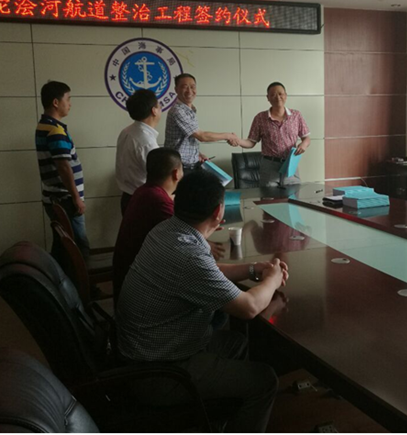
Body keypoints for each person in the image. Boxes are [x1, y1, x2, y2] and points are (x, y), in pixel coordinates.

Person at [117, 170, 288, 432]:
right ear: (219, 211)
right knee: (265, 380)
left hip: (145, 352)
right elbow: (249, 307)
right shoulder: (188, 255)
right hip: (159, 374)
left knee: (236, 343)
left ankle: (217, 418)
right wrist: (273, 280)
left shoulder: (167, 231)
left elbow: (209, 271)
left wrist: (254, 269)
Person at [112, 147, 181, 303]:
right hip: (140, 290)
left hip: (129, 279)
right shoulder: (158, 201)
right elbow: (185, 237)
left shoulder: (144, 191)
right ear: (176, 173)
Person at [35, 81, 90, 259]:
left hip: (55, 197)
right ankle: (82, 277)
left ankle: (60, 275)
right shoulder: (55, 130)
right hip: (65, 199)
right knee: (78, 246)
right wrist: (76, 197)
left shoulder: (44, 125)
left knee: (62, 244)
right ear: (56, 102)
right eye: (68, 99)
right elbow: (63, 166)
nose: (70, 104)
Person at [233, 82, 311, 186]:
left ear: (286, 95)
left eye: (280, 94)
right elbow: (251, 142)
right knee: (269, 196)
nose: (277, 97)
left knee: (293, 193)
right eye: (273, 95)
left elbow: (306, 138)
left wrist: (304, 144)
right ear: (268, 98)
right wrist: (237, 141)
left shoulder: (296, 115)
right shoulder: (260, 118)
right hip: (269, 166)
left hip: (290, 164)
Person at [164, 73, 238, 172]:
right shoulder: (177, 111)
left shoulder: (191, 110)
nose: (189, 91)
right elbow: (202, 136)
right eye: (185, 87)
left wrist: (198, 154)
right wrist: (228, 136)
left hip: (191, 165)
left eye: (192, 87)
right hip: (178, 167)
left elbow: (188, 140)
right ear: (176, 89)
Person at [115, 89, 161, 215]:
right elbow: (159, 178)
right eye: (159, 105)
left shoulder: (127, 131)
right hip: (144, 201)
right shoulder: (147, 142)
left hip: (128, 197)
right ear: (154, 110)